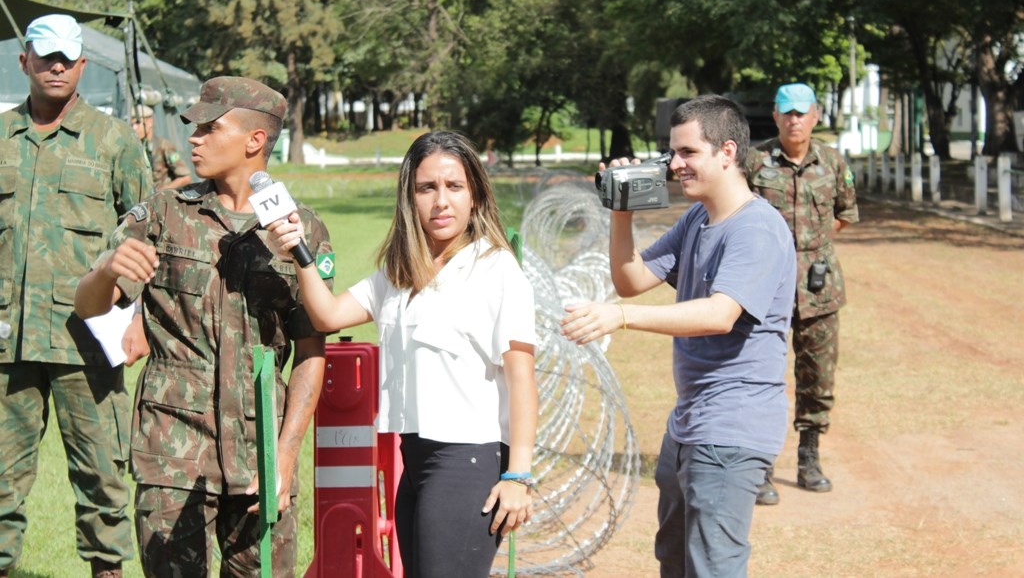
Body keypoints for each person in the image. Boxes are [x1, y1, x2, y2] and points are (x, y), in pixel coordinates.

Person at [74, 76, 333, 576]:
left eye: (210, 129)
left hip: (262, 447)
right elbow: (89, 307)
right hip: (172, 448)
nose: (193, 139)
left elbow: (310, 352)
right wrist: (106, 268)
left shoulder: (302, 229)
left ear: (255, 141)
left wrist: (287, 452)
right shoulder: (163, 214)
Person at [266, 130, 538, 578]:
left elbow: (522, 377)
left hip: (468, 460)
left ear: (475, 195)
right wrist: (299, 252)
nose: (441, 201)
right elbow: (329, 314)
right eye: (427, 188)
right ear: (409, 196)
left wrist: (518, 475)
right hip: (415, 459)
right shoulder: (400, 270)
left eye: (454, 187)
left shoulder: (495, 269)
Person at [560, 95, 796, 578]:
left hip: (732, 426)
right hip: (689, 422)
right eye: (673, 152)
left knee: (712, 568)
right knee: (675, 561)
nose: (674, 164)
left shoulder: (757, 228)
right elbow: (630, 279)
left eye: (687, 152)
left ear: (727, 152)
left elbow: (720, 313)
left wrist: (621, 318)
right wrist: (620, 208)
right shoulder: (697, 220)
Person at [0, 14, 153, 578]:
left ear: (83, 64)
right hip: (8, 343)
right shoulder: (0, 137)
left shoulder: (113, 141)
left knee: (101, 477)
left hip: (87, 342)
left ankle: (107, 571)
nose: (57, 66)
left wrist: (133, 313)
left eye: (68, 57)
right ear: (25, 61)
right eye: (46, 56)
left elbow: (143, 229)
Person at [745, 82, 859, 504]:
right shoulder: (755, 161)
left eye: (802, 112)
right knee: (759, 375)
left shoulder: (831, 162)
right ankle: (759, 467)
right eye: (787, 112)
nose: (794, 120)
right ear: (775, 116)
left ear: (815, 116)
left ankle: (809, 458)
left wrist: (813, 245)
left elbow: (846, 211)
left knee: (817, 378)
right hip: (763, 284)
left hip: (819, 287)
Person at [131, 104, 192, 190]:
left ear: (150, 122)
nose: (134, 128)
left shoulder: (164, 146)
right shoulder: (133, 148)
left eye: (138, 123)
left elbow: (185, 178)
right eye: (132, 124)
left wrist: (162, 190)